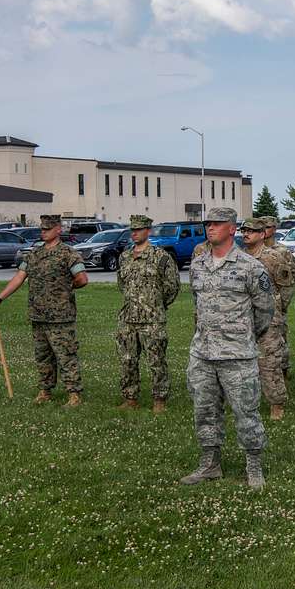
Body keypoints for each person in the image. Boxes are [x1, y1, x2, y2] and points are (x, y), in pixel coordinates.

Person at [181, 207, 274, 490]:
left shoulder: (251, 267)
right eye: (208, 223)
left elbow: (265, 311)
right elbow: (197, 305)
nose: (210, 228)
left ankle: (254, 466)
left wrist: (241, 337)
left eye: (217, 224)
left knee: (246, 412)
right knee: (205, 411)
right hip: (203, 354)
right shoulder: (197, 264)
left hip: (237, 355)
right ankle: (210, 464)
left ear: (232, 229)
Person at [0, 214, 88, 407]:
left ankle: (74, 394)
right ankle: (45, 390)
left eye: (47, 229)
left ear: (58, 230)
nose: (43, 232)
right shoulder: (33, 254)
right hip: (38, 314)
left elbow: (82, 279)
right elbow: (19, 277)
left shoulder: (68, 253)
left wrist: (64, 290)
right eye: (42, 229)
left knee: (66, 355)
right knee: (42, 355)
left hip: (60, 316)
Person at [115, 214, 180, 413]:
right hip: (128, 318)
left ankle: (159, 400)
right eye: (132, 230)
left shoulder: (161, 257)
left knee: (156, 361)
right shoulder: (125, 257)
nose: (134, 233)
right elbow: (122, 284)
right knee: (127, 360)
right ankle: (130, 398)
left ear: (148, 231)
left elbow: (172, 286)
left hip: (152, 320)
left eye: (139, 229)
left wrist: (157, 304)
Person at [241, 217, 295, 420]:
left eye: (251, 231)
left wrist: (278, 309)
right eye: (244, 230)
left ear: (262, 234)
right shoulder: (239, 258)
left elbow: (286, 285)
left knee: (270, 362)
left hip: (270, 319)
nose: (246, 234)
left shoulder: (273, 257)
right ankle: (247, 402)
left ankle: (277, 403)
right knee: (243, 362)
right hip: (244, 319)